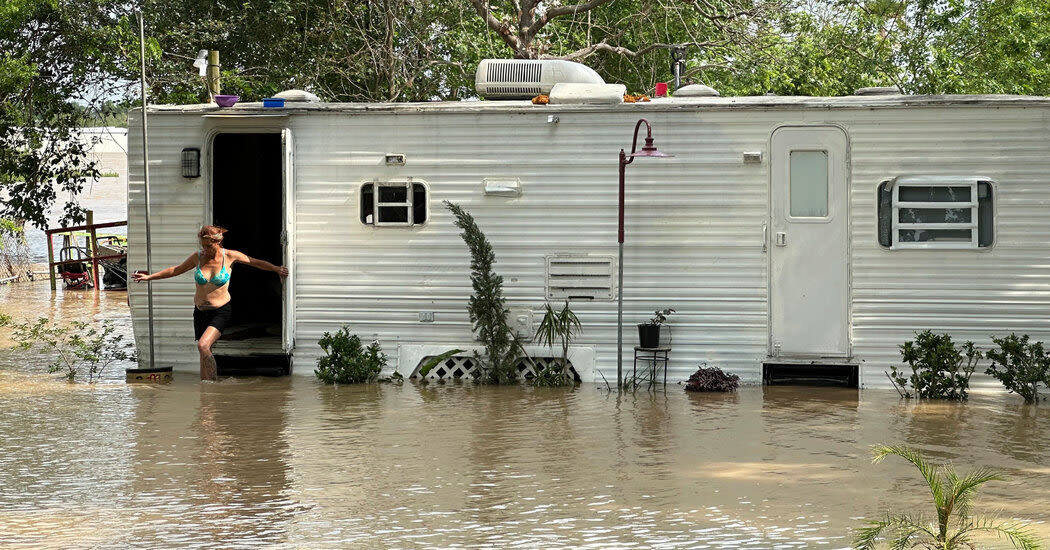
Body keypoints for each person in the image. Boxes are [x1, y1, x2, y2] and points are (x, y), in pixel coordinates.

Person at [131, 225, 289, 381]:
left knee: (203, 345)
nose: (205, 249)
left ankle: (213, 385)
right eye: (202, 246)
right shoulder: (197, 257)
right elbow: (176, 269)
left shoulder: (230, 256)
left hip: (220, 311)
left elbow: (255, 262)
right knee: (204, 351)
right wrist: (149, 277)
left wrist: (276, 269)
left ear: (218, 242)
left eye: (208, 246)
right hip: (200, 312)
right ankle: (205, 392)